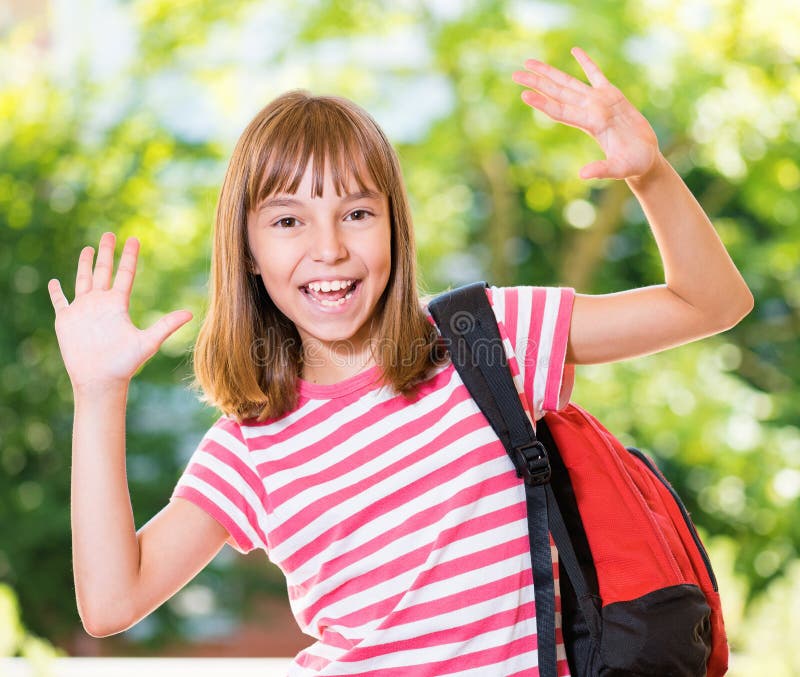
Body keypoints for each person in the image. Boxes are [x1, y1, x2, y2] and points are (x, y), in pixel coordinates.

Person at [48, 47, 752, 675]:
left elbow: (710, 304)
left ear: (395, 225)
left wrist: (650, 174)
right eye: (289, 220)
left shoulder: (488, 340)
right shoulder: (250, 445)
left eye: (356, 213)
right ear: (250, 253)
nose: (328, 247)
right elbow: (112, 600)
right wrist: (99, 391)